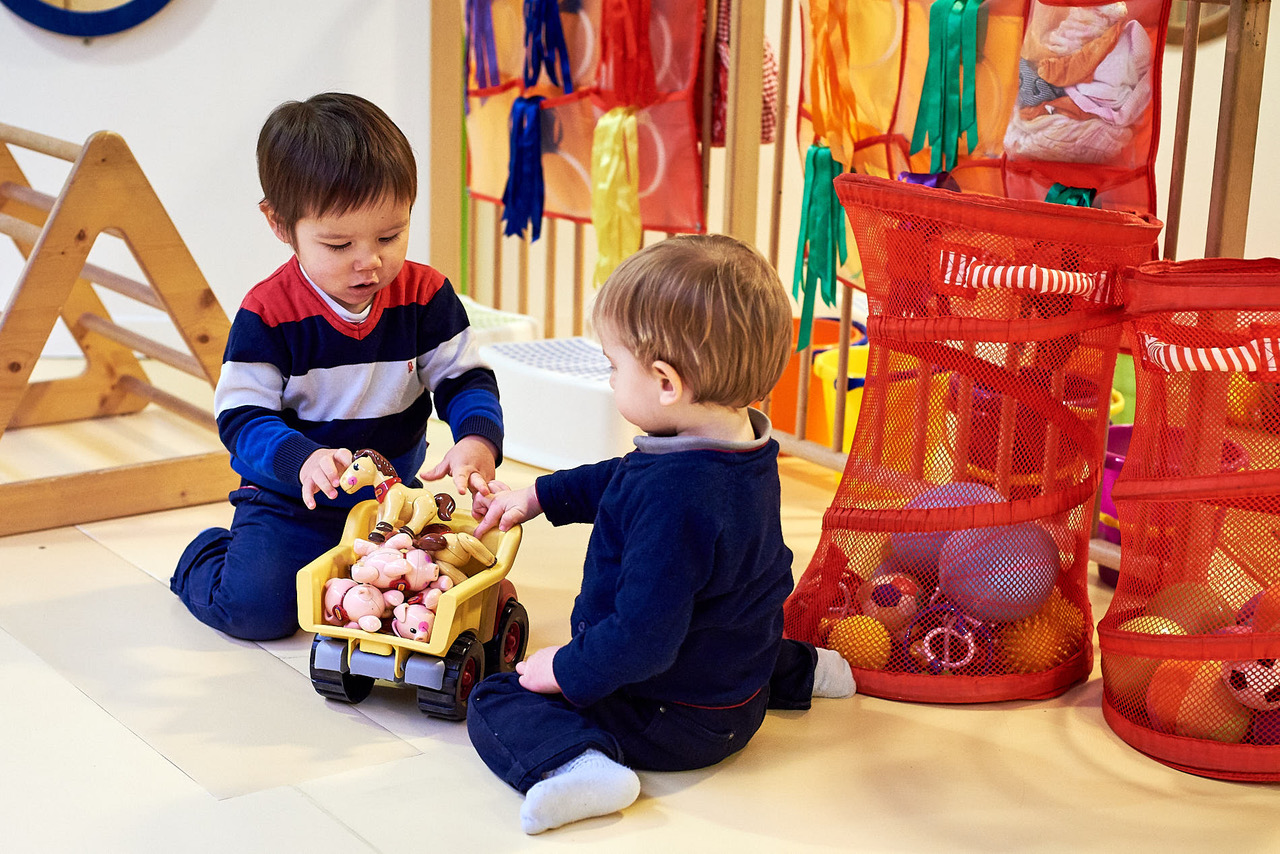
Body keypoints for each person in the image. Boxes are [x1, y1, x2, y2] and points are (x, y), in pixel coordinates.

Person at [466, 234, 855, 835]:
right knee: (732, 609)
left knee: (500, 695)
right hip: (739, 689)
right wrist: (539, 496)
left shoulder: (673, 498)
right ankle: (803, 670)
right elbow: (626, 478)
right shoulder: (745, 446)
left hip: (676, 720)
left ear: (667, 382)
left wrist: (567, 670)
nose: (611, 378)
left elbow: (643, 638)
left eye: (613, 366)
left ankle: (578, 767)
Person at [170, 93, 503, 641]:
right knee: (257, 612)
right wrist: (301, 460)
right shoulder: (269, 313)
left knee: (428, 594)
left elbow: (464, 379)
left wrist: (476, 440)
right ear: (279, 224)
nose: (369, 260)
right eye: (339, 242)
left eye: (390, 236)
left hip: (389, 497)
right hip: (289, 499)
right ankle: (203, 555)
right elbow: (240, 417)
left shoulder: (426, 296)